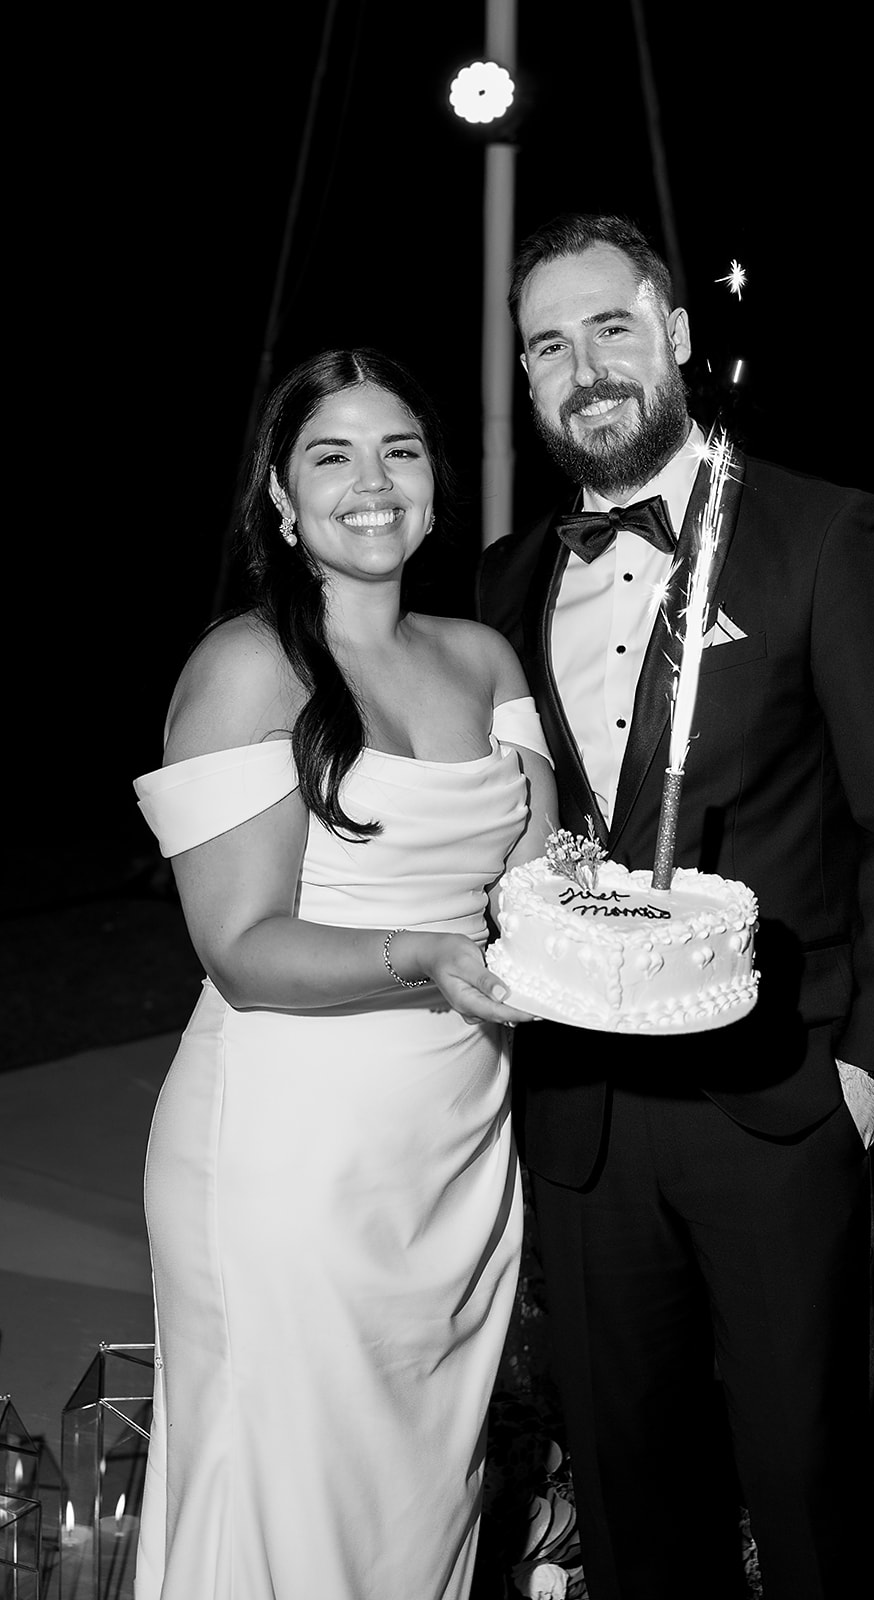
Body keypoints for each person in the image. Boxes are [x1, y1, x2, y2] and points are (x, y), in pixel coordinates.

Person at [476, 214, 874, 1600]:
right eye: (548, 346)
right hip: (583, 1122)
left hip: (780, 1102)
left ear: (677, 334)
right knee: (633, 1507)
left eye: (613, 327)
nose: (587, 369)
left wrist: (864, 1076)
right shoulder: (506, 581)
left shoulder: (823, 532)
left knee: (811, 1503)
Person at [131, 347, 556, 1600]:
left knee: (419, 1507)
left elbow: (536, 886)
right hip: (289, 1150)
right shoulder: (244, 669)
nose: (370, 484)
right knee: (288, 1507)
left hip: (459, 1146)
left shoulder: (484, 658)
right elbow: (241, 948)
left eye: (401, 451)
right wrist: (424, 955)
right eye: (331, 455)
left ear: (433, 486)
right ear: (279, 495)